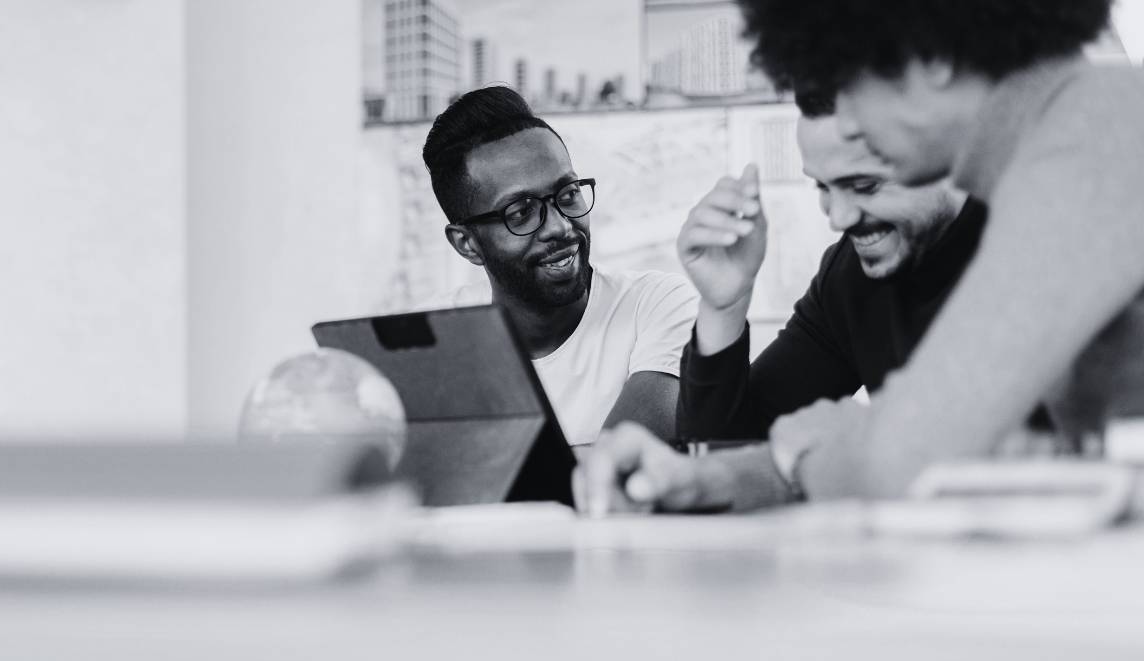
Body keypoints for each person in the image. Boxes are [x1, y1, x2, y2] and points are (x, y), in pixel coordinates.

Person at [576, 0, 1144, 514]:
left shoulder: (1097, 140)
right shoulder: (1076, 136)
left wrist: (807, 446)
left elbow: (917, 442)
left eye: (851, 88)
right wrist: (713, 474)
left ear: (930, 59)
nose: (847, 123)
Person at [677, 91, 983, 442]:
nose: (838, 218)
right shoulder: (850, 276)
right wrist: (723, 308)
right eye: (823, 186)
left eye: (865, 186)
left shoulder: (1040, 245)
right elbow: (726, 457)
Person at [421, 86, 698, 447]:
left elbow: (619, 465)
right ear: (467, 243)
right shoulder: (438, 337)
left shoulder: (658, 305)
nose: (561, 226)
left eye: (568, 195)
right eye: (520, 212)